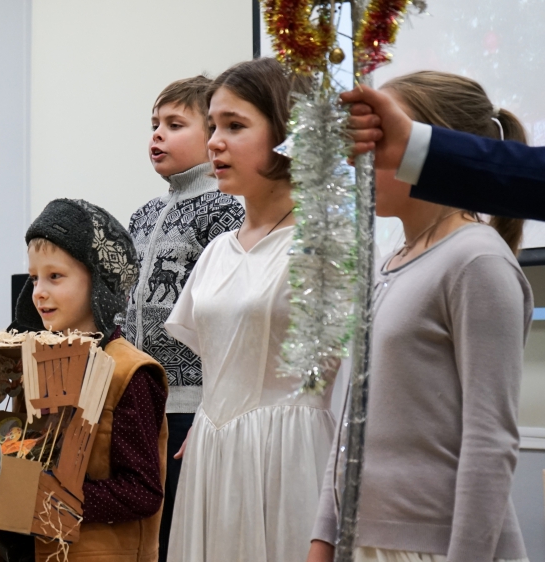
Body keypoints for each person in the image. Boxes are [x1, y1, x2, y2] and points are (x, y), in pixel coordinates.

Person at [309, 71, 532, 562]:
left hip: (431, 548)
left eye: (380, 138)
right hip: (364, 540)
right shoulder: (389, 262)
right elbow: (353, 422)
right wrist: (324, 536)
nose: (358, 156)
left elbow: (490, 441)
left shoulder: (476, 260)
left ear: (437, 147)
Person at [163, 58, 336, 562]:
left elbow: (349, 384)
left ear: (287, 133)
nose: (214, 142)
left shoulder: (321, 246)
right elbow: (219, 361)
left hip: (288, 456)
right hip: (215, 453)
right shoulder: (218, 250)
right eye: (213, 126)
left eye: (235, 126)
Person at [0, 198, 169, 562]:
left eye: (55, 276)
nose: (38, 291)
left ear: (98, 282)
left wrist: (45, 497)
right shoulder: (32, 360)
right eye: (34, 278)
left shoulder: (129, 374)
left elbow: (142, 491)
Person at [124, 75, 245, 562]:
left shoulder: (224, 210)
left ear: (213, 134)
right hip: (141, 402)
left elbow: (226, 321)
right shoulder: (142, 215)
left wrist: (212, 404)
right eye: (155, 124)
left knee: (181, 531)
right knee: (144, 534)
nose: (158, 134)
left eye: (175, 125)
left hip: (190, 407)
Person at [341, 84, 545, 221]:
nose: (355, 159)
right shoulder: (394, 258)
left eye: (379, 134)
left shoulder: (476, 257)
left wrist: (410, 146)